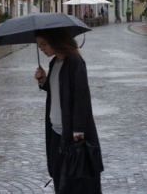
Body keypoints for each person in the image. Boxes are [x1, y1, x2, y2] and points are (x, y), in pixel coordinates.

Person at [34, 29, 103, 193]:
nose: (41, 49)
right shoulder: (54, 63)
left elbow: (82, 101)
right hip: (55, 131)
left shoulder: (75, 62)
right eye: (39, 45)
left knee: (76, 182)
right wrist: (43, 80)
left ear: (56, 40)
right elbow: (58, 92)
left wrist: (78, 138)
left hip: (72, 134)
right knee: (60, 178)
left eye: (43, 44)